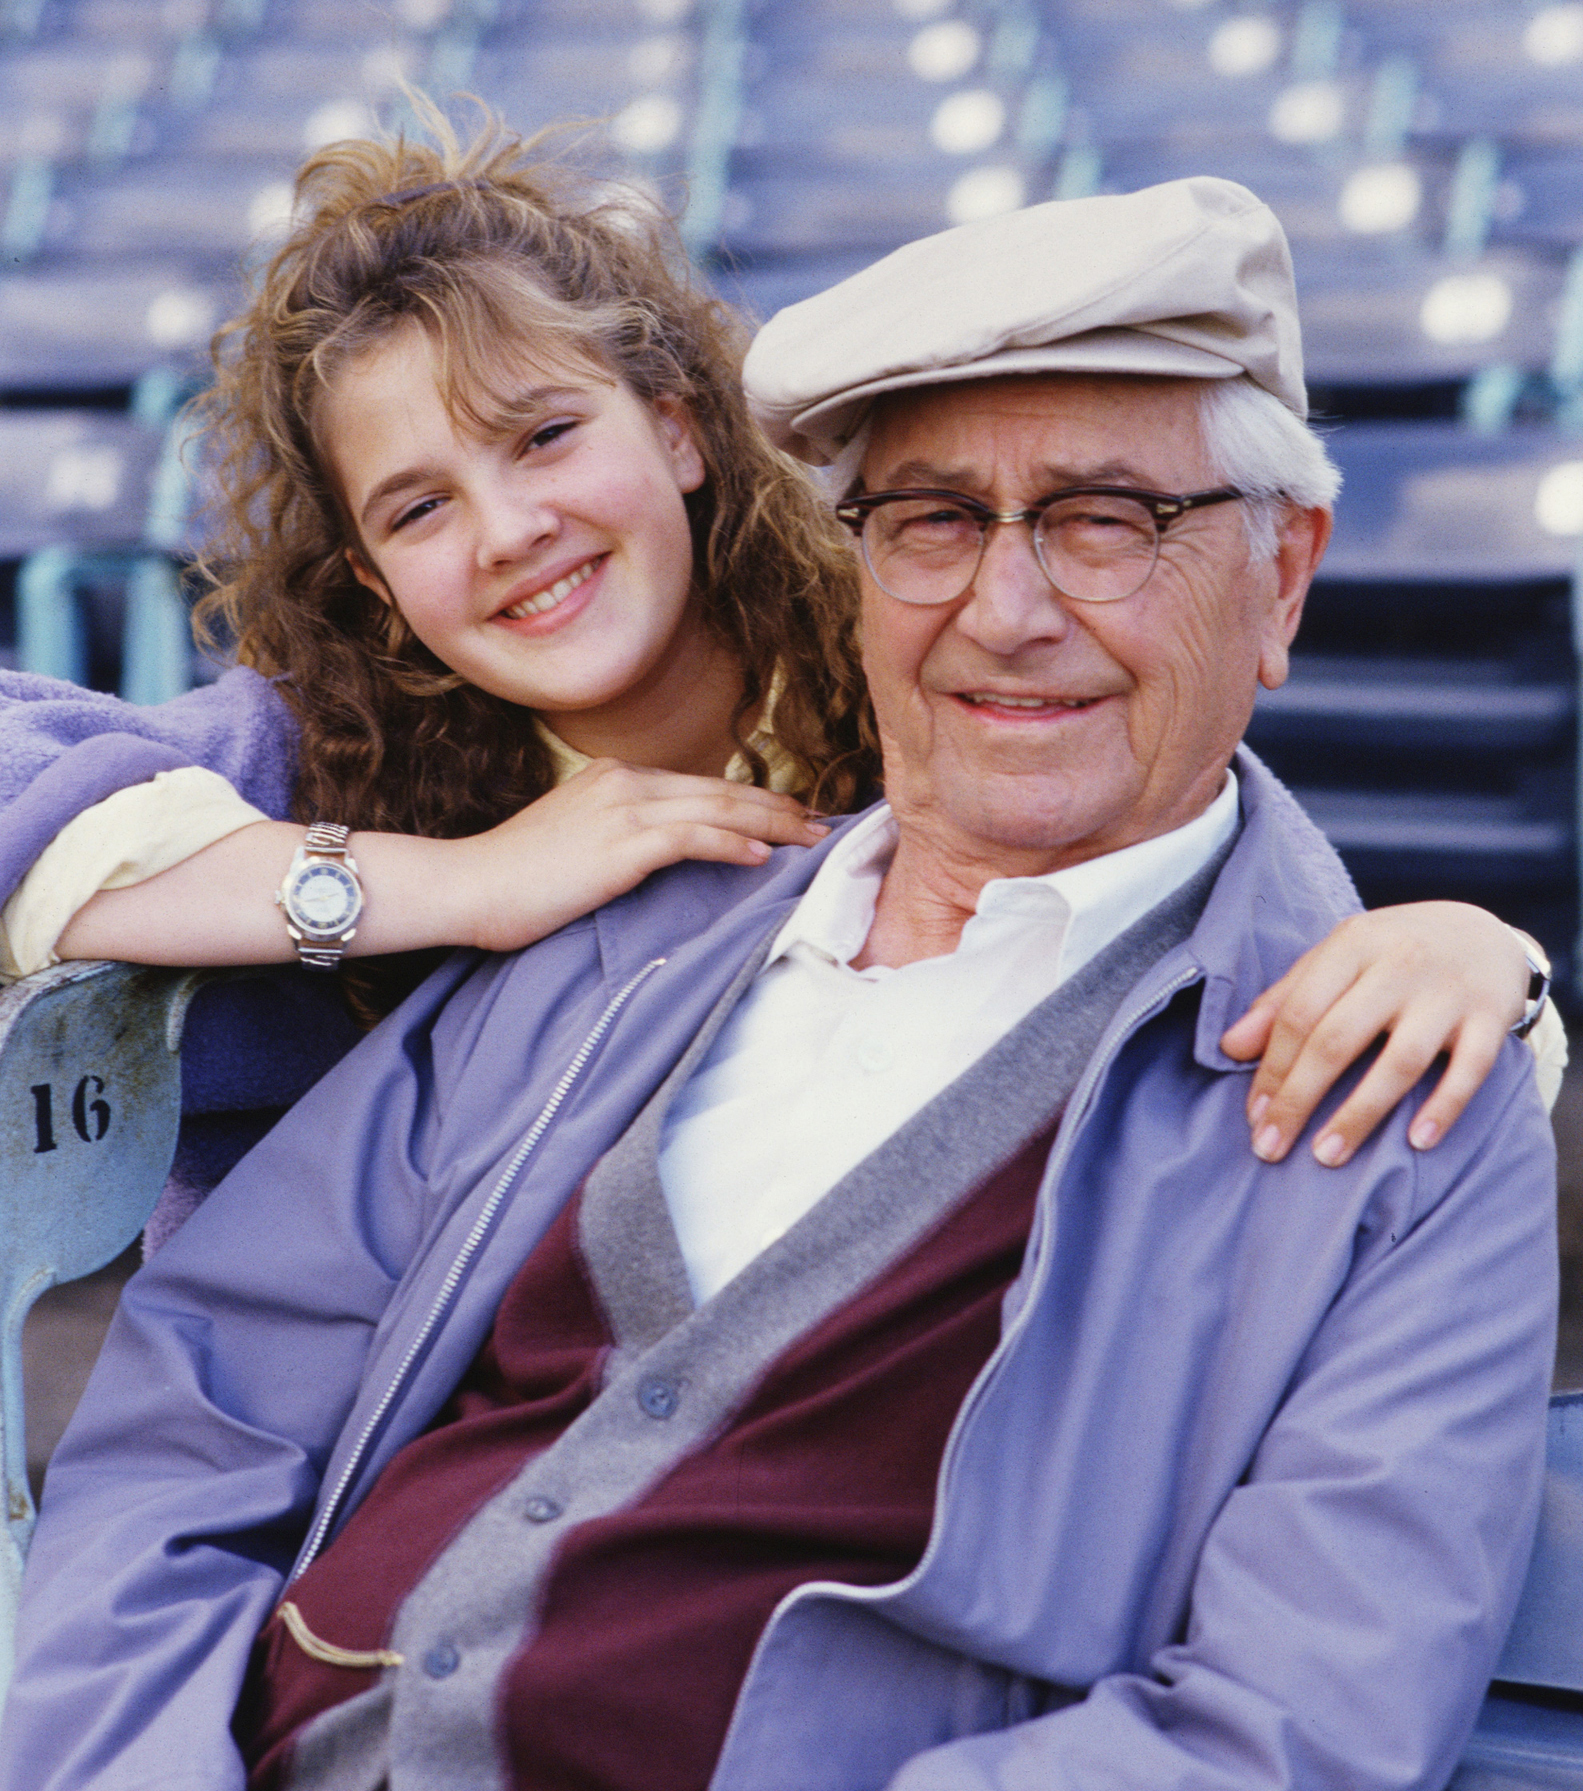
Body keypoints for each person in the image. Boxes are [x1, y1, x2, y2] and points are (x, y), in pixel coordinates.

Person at [2, 176, 1556, 1791]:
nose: (1006, 612)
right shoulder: (526, 884)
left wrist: (1484, 956)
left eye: (1106, 521)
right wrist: (456, 884)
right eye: (936, 522)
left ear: (1282, 578)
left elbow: (1279, 1729)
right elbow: (200, 1413)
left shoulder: (1362, 1079)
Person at [0, 120, 1562, 1212]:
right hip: (374, 1445)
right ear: (376, 585)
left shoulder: (920, 665)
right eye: (419, 508)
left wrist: (1480, 959)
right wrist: (451, 885)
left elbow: (1214, 884)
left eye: (546, 435)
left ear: (679, 424)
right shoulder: (334, 754)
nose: (508, 531)